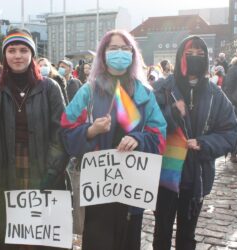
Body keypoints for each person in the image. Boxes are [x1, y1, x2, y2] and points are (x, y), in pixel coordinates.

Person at [61, 29, 167, 250]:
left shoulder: (145, 94)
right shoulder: (88, 92)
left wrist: (138, 139)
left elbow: (159, 137)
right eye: (113, 48)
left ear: (132, 54)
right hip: (98, 192)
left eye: (125, 48)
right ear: (103, 54)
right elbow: (66, 132)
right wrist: (90, 131)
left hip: (133, 190)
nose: (120, 52)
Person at [0, 28, 68, 250]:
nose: (17, 55)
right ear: (4, 55)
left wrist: (52, 171)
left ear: (32, 54)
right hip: (7, 172)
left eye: (22, 50)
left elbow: (61, 133)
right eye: (11, 50)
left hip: (44, 171)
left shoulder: (50, 88)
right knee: (9, 236)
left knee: (41, 240)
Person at [153, 36, 237, 250]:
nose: (195, 58)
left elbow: (231, 130)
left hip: (196, 176)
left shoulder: (214, 93)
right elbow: (148, 123)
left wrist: (204, 144)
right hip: (164, 175)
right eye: (190, 54)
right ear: (181, 56)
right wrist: (172, 113)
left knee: (187, 236)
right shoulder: (163, 87)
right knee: (161, 231)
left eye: (201, 55)